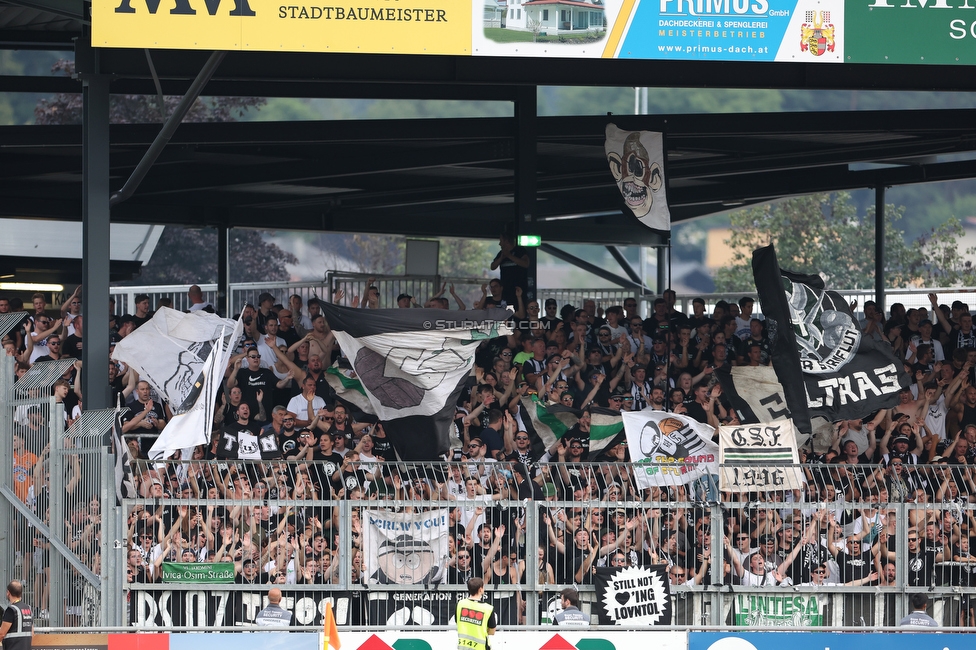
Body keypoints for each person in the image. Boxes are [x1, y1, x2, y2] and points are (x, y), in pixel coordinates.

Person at [456, 577, 496, 650]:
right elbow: (492, 631)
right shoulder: (488, 608)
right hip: (481, 647)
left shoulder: (460, 604)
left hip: (463, 646)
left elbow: (458, 621)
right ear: (480, 589)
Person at [0, 580, 32, 650]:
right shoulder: (28, 609)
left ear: (8, 592)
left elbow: (1, 634)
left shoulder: (11, 610)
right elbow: (32, 632)